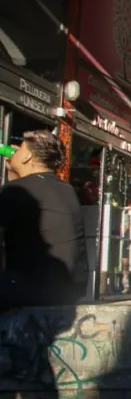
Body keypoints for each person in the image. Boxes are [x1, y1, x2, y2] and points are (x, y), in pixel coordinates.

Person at [0, 130, 86, 311]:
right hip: (68, 288)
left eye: (21, 147)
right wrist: (14, 173)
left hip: (30, 289)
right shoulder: (66, 189)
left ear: (27, 157)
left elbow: (19, 196)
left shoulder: (16, 191)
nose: (14, 150)